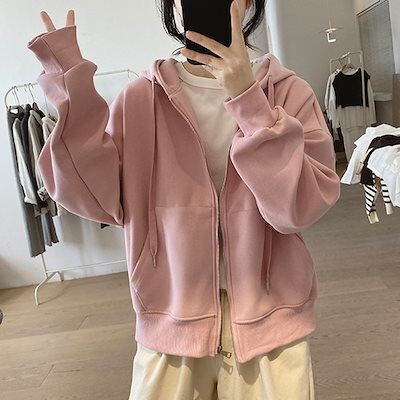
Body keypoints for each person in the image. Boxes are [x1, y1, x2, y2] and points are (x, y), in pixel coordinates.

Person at [27, 1, 341, 398]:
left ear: (248, 2)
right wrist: (70, 87)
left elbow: (299, 208)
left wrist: (250, 102)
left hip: (272, 321)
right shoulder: (140, 99)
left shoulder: (289, 93)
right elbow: (93, 197)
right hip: (170, 319)